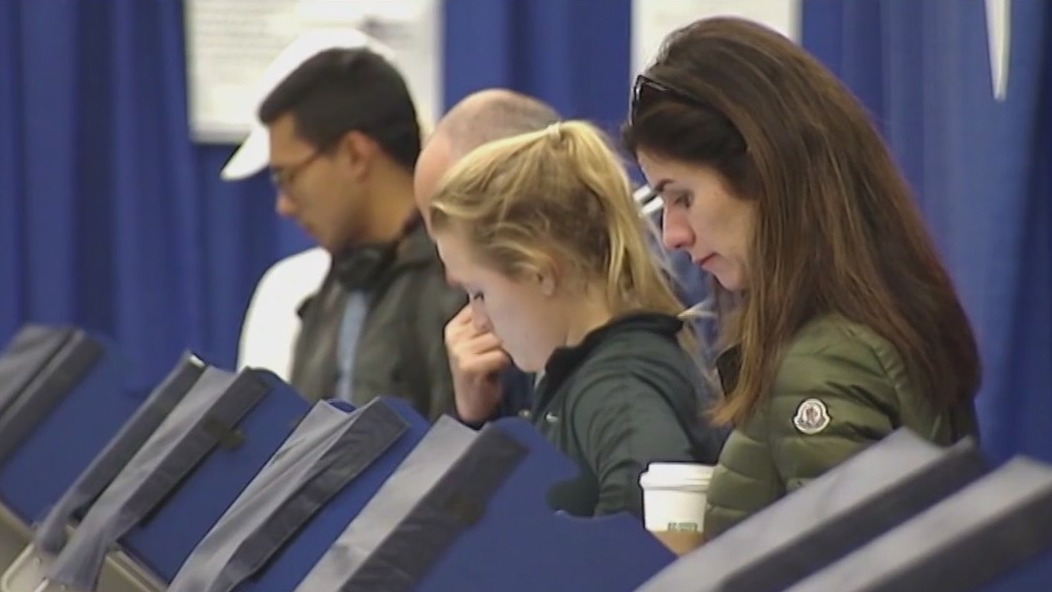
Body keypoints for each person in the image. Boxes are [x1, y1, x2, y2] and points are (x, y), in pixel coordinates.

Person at [621, 17, 982, 539]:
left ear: (766, 174)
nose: (672, 234)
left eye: (683, 198)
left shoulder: (827, 361)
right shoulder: (864, 326)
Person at [427, 119, 725, 518]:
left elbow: (650, 533)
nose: (476, 321)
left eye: (479, 293)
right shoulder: (581, 378)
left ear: (541, 273)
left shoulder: (615, 387)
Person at [224, 43, 463, 420]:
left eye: (287, 178)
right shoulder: (333, 289)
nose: (283, 205)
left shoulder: (455, 290)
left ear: (355, 153)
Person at [414, 89, 561, 424]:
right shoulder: (492, 332)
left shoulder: (625, 361)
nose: (450, 275)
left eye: (451, 233)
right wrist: (474, 414)